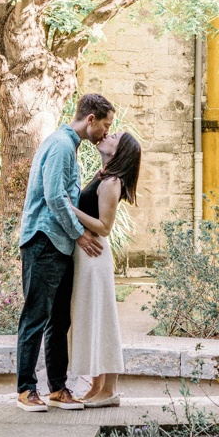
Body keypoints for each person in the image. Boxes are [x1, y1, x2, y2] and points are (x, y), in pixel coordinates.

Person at [14, 93, 114, 412]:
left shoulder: (69, 146)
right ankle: (26, 390)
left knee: (59, 320)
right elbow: (55, 197)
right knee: (36, 316)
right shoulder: (60, 144)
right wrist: (81, 235)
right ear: (91, 120)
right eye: (105, 125)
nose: (106, 133)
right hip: (44, 239)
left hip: (59, 244)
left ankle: (58, 388)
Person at [69, 130, 139, 407]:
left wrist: (68, 209)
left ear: (120, 150)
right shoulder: (102, 176)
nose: (107, 135)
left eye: (115, 137)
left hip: (94, 255)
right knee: (93, 318)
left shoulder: (112, 182)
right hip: (86, 255)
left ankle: (109, 390)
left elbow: (105, 227)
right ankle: (96, 386)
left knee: (103, 318)